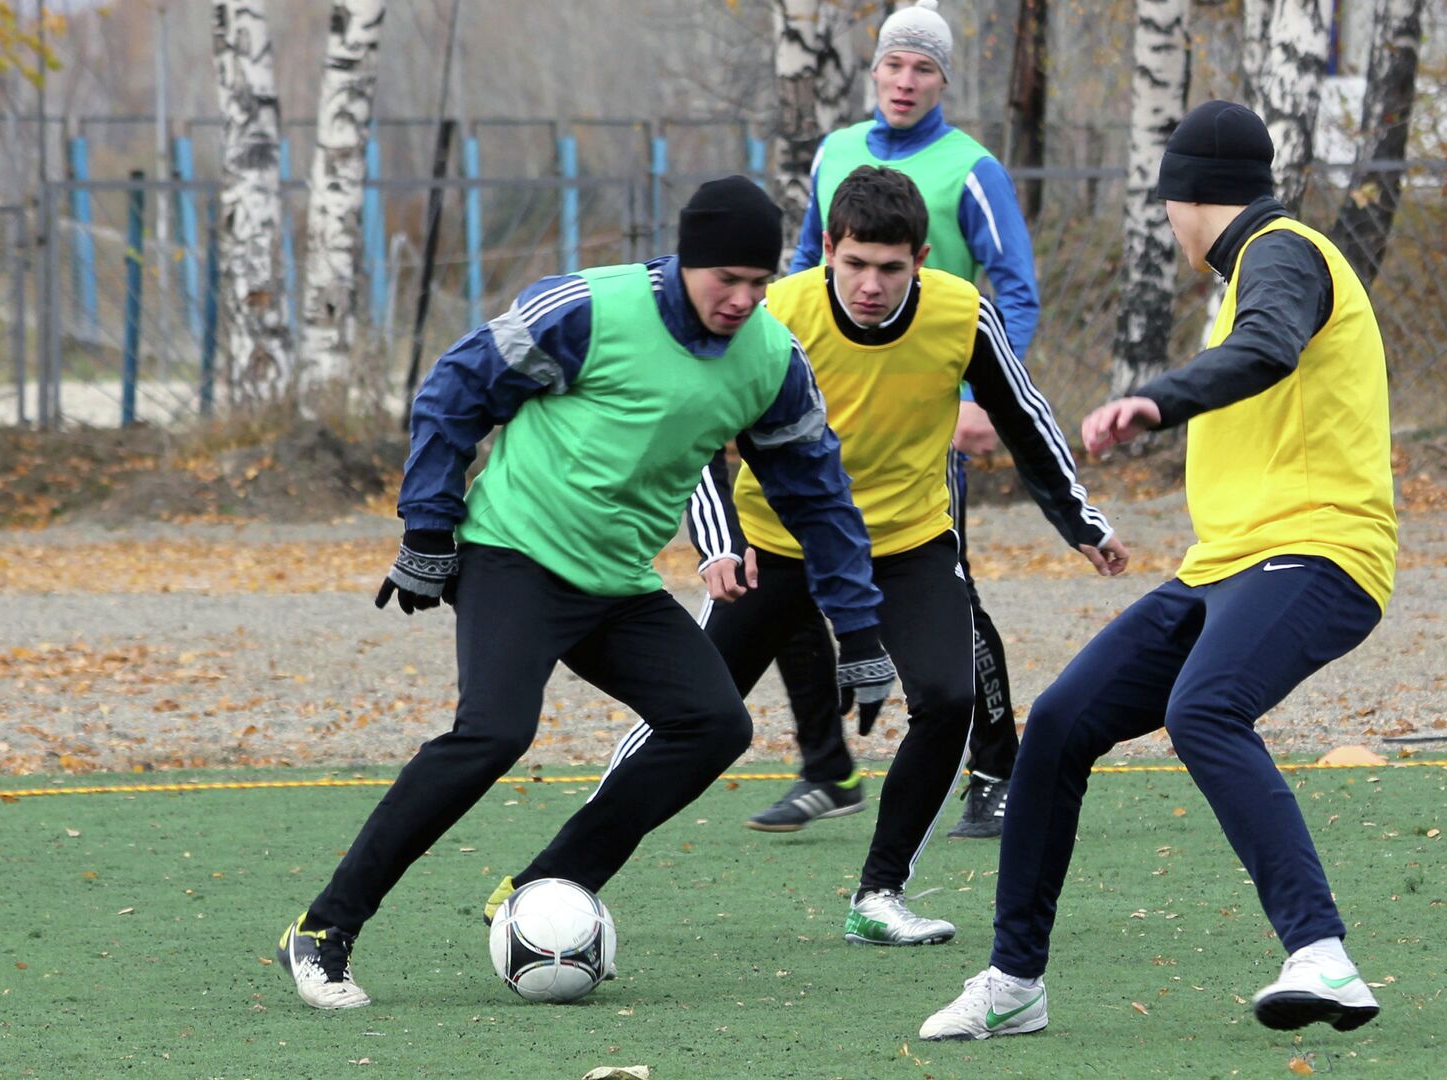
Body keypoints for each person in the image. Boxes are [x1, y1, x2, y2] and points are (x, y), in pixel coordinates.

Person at [274, 177, 894, 1010]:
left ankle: (544, 887)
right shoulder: (587, 309)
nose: (743, 300)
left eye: (759, 282)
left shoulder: (773, 360)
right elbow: (454, 390)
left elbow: (820, 499)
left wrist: (858, 630)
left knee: (712, 723)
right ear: (687, 261)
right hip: (513, 555)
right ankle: (323, 930)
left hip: (619, 582)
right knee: (494, 732)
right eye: (726, 281)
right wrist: (427, 531)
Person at [919, 99, 1399, 1039]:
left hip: (1321, 549)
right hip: (1228, 563)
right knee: (1058, 724)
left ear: (1184, 195)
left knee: (1204, 708)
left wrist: (1154, 401)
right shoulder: (1254, 268)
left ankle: (1323, 956)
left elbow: (1265, 351)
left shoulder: (1282, 252)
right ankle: (1014, 982)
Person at [688, 165, 1127, 946]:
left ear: (922, 258)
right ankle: (560, 877)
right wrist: (719, 545)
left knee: (951, 700)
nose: (870, 284)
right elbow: (694, 436)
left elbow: (1024, 419)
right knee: (689, 718)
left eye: (891, 268)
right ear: (827, 249)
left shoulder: (963, 316)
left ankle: (879, 894)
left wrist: (1080, 522)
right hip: (776, 544)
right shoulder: (775, 314)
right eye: (855, 264)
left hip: (906, 544)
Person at [757, 0, 1039, 838]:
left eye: (923, 68)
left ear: (944, 79)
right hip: (825, 422)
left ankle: (995, 769)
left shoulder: (971, 168)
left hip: (923, 424)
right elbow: (806, 264)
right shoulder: (837, 152)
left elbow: (1013, 288)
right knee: (791, 578)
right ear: (873, 69)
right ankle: (826, 768)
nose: (905, 80)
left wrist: (977, 397)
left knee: (949, 599)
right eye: (893, 64)